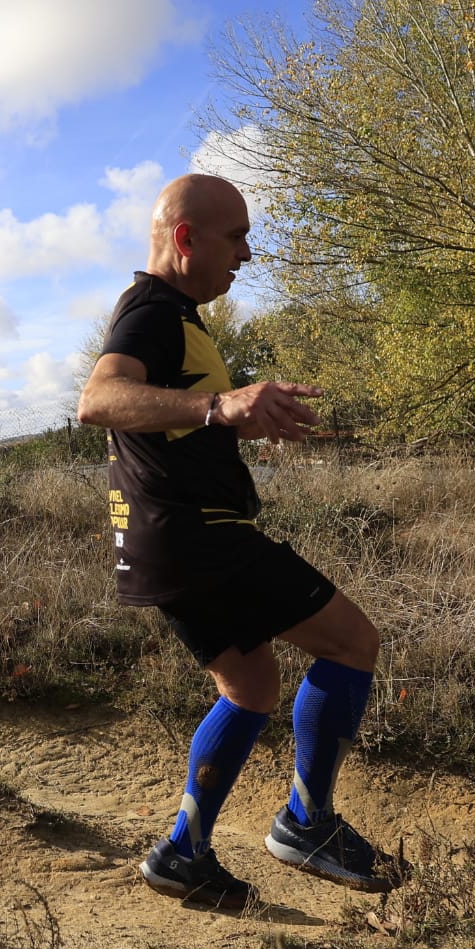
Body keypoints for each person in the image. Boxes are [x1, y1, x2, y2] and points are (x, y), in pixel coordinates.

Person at [77, 174, 399, 909]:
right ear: (185, 239)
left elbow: (175, 421)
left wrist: (234, 420)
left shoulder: (179, 317)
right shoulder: (152, 311)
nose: (248, 254)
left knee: (250, 685)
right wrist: (220, 404)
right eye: (236, 236)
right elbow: (97, 399)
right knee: (352, 642)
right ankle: (305, 824)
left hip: (170, 545)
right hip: (200, 538)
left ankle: (184, 852)